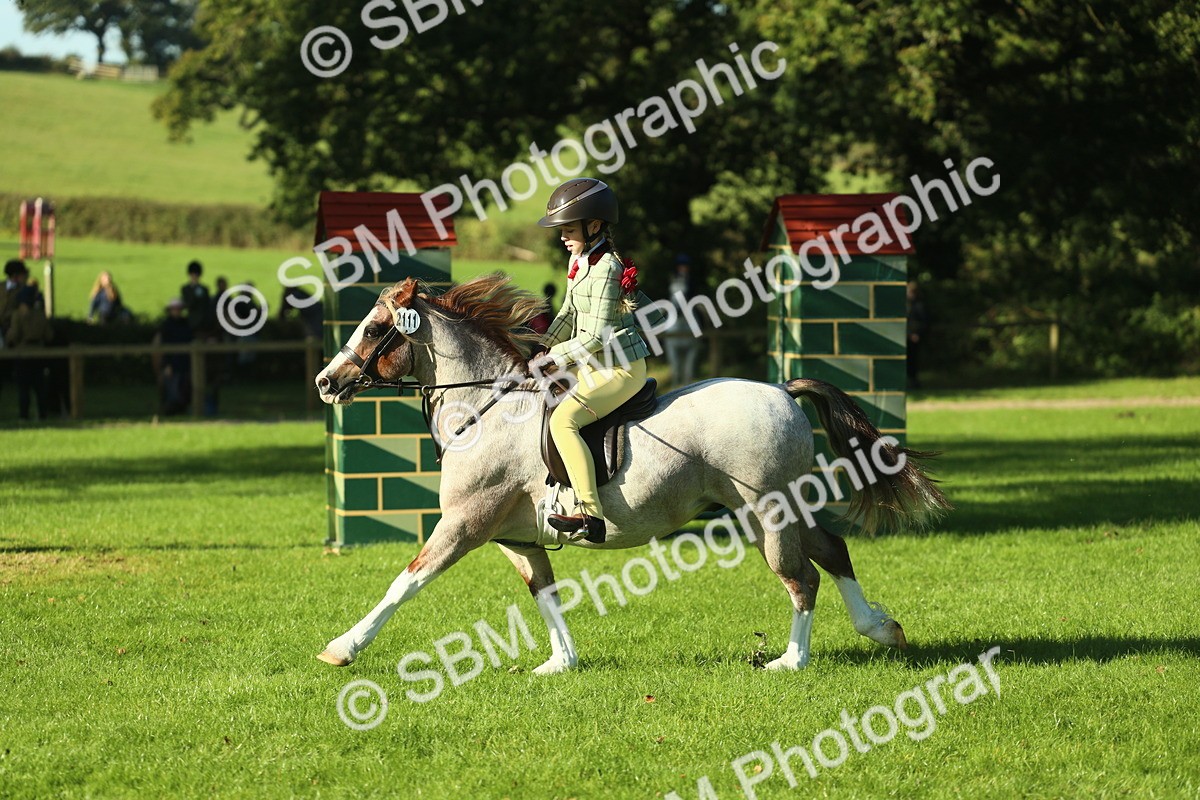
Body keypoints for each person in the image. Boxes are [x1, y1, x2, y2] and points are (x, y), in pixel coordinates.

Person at [533, 177, 666, 542]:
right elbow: (567, 313)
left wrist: (554, 356)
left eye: (568, 229)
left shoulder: (607, 267)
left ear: (594, 226)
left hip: (620, 369)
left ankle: (590, 514)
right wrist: (538, 346)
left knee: (563, 422)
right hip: (593, 364)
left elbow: (595, 336)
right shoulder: (579, 261)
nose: (562, 237)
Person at [7, 285, 53, 420]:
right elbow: (49, 335)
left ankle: (24, 416)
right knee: (40, 388)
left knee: (24, 388)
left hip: (23, 353)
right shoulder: (40, 315)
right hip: (39, 353)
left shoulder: (18, 315)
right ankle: (43, 414)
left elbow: (14, 335)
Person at [664, 253, 702, 387]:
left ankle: (706, 330)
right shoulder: (672, 279)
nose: (683, 268)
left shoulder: (692, 281)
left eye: (685, 266)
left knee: (701, 313)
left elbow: (695, 296)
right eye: (681, 266)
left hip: (689, 307)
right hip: (674, 307)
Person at [154, 298, 193, 415]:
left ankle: (183, 408)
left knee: (184, 385)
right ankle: (171, 409)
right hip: (172, 362)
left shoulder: (185, 324)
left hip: (184, 361)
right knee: (172, 387)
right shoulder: (166, 326)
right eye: (175, 309)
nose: (177, 311)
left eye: (178, 309)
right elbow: (164, 346)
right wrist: (166, 364)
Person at [907, 281, 929, 389]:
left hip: (913, 338)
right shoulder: (908, 305)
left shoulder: (918, 306)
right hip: (907, 337)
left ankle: (914, 382)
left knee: (913, 361)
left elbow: (923, 322)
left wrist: (916, 333)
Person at [181, 260, 212, 334]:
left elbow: (207, 305)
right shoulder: (185, 289)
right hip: (192, 321)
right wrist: (195, 291)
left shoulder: (205, 289)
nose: (194, 276)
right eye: (193, 274)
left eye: (196, 274)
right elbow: (188, 304)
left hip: (204, 322)